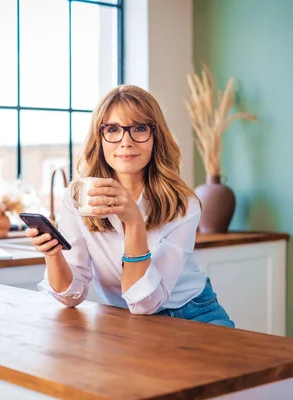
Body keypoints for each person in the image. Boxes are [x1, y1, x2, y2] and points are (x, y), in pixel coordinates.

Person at [27, 85, 234, 328]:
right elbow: (70, 296)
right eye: (113, 129)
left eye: (139, 128)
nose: (126, 141)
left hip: (195, 313)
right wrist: (53, 255)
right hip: (127, 319)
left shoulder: (183, 204)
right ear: (99, 137)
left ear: (156, 136)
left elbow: (145, 303)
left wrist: (133, 221)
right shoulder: (77, 197)